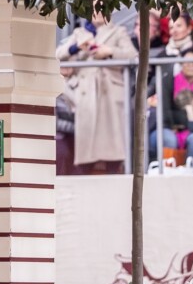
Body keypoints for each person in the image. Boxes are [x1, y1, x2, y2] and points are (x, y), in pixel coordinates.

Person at [57, 12, 135, 173]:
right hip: (85, 94)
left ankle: (114, 174)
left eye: (102, 8)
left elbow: (133, 56)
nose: (98, 12)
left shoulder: (118, 31)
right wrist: (75, 48)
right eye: (94, 8)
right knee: (86, 148)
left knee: (112, 146)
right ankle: (84, 177)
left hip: (109, 92)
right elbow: (58, 54)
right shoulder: (79, 33)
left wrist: (109, 51)